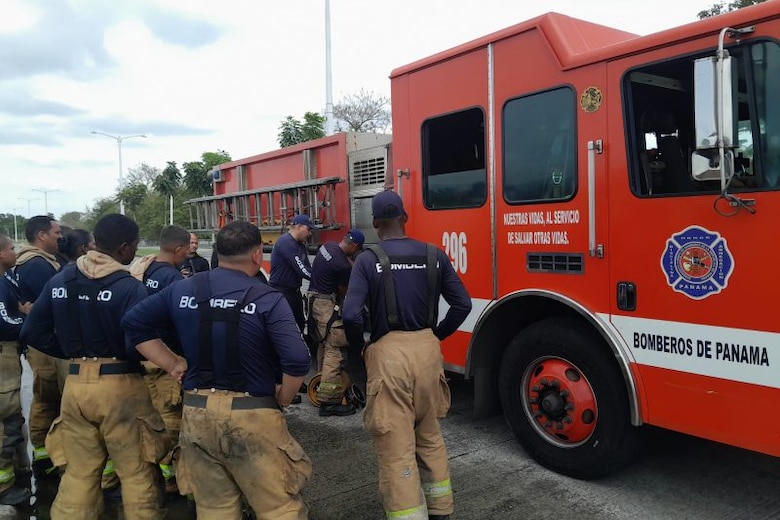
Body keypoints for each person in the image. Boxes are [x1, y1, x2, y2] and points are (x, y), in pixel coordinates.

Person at [122, 221, 312, 519]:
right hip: (253, 416)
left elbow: (133, 323)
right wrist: (284, 397)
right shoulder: (266, 297)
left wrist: (173, 363)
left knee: (214, 509)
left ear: (219, 252)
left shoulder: (182, 289)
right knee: (279, 509)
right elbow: (297, 359)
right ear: (255, 256)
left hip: (197, 415)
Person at [19, 214, 171, 520]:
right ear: (126, 248)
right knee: (137, 472)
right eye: (135, 246)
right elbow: (143, 341)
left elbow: (31, 332)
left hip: (75, 388)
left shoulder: (61, 279)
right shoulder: (129, 287)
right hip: (121, 388)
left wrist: (72, 353)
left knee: (80, 473)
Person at [342, 191, 472, 520]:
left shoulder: (367, 260)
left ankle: (409, 514)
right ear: (405, 218)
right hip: (428, 351)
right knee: (428, 435)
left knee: (396, 445)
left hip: (389, 353)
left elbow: (352, 315)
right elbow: (463, 305)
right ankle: (441, 509)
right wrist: (436, 335)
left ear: (374, 223)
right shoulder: (435, 254)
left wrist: (362, 348)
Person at [129, 225, 191, 495]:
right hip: (167, 359)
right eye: (188, 248)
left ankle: (158, 468)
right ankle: (172, 478)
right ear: (178, 249)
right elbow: (184, 322)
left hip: (144, 355)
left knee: (151, 415)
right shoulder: (173, 280)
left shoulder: (145, 269)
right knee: (171, 420)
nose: (190, 252)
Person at [14, 215, 64, 478]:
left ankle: (45, 453)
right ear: (42, 235)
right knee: (47, 397)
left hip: (41, 341)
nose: (59, 237)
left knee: (47, 397)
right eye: (56, 233)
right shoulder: (37, 265)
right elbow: (54, 305)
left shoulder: (37, 262)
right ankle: (45, 456)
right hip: (45, 345)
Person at [307, 229, 364, 417]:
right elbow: (343, 292)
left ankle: (321, 384)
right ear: (355, 246)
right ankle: (328, 402)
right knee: (336, 349)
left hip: (314, 300)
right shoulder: (343, 267)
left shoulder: (329, 246)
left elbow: (341, 262)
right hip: (326, 304)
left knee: (324, 343)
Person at [0, 235, 31, 506]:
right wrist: (29, 317)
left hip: (10, 354)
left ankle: (18, 472)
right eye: (12, 249)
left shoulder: (8, 278)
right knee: (6, 421)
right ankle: (4, 487)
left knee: (13, 419)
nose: (16, 252)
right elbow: (6, 322)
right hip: (3, 356)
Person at [269, 214, 313, 333]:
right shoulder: (286, 243)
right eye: (308, 229)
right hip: (282, 293)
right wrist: (323, 279)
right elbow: (302, 270)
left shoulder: (300, 245)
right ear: (298, 227)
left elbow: (308, 268)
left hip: (294, 292)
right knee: (287, 328)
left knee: (300, 324)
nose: (310, 233)